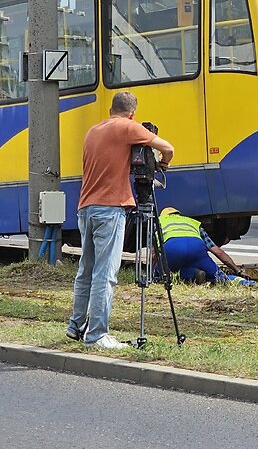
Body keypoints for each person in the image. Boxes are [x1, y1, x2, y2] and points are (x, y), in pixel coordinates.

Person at [67, 90, 174, 350]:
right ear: (132, 114)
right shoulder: (127, 127)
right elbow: (167, 148)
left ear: (110, 109)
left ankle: (76, 325)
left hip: (86, 207)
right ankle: (97, 335)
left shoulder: (93, 131)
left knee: (86, 271)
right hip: (110, 208)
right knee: (106, 274)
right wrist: (163, 164)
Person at [158, 207, 254, 286]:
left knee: (161, 275)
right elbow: (218, 252)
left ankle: (191, 275)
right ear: (179, 214)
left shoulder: (159, 222)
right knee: (219, 277)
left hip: (171, 249)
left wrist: (153, 269)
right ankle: (246, 283)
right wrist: (238, 271)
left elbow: (154, 252)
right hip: (196, 248)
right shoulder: (192, 222)